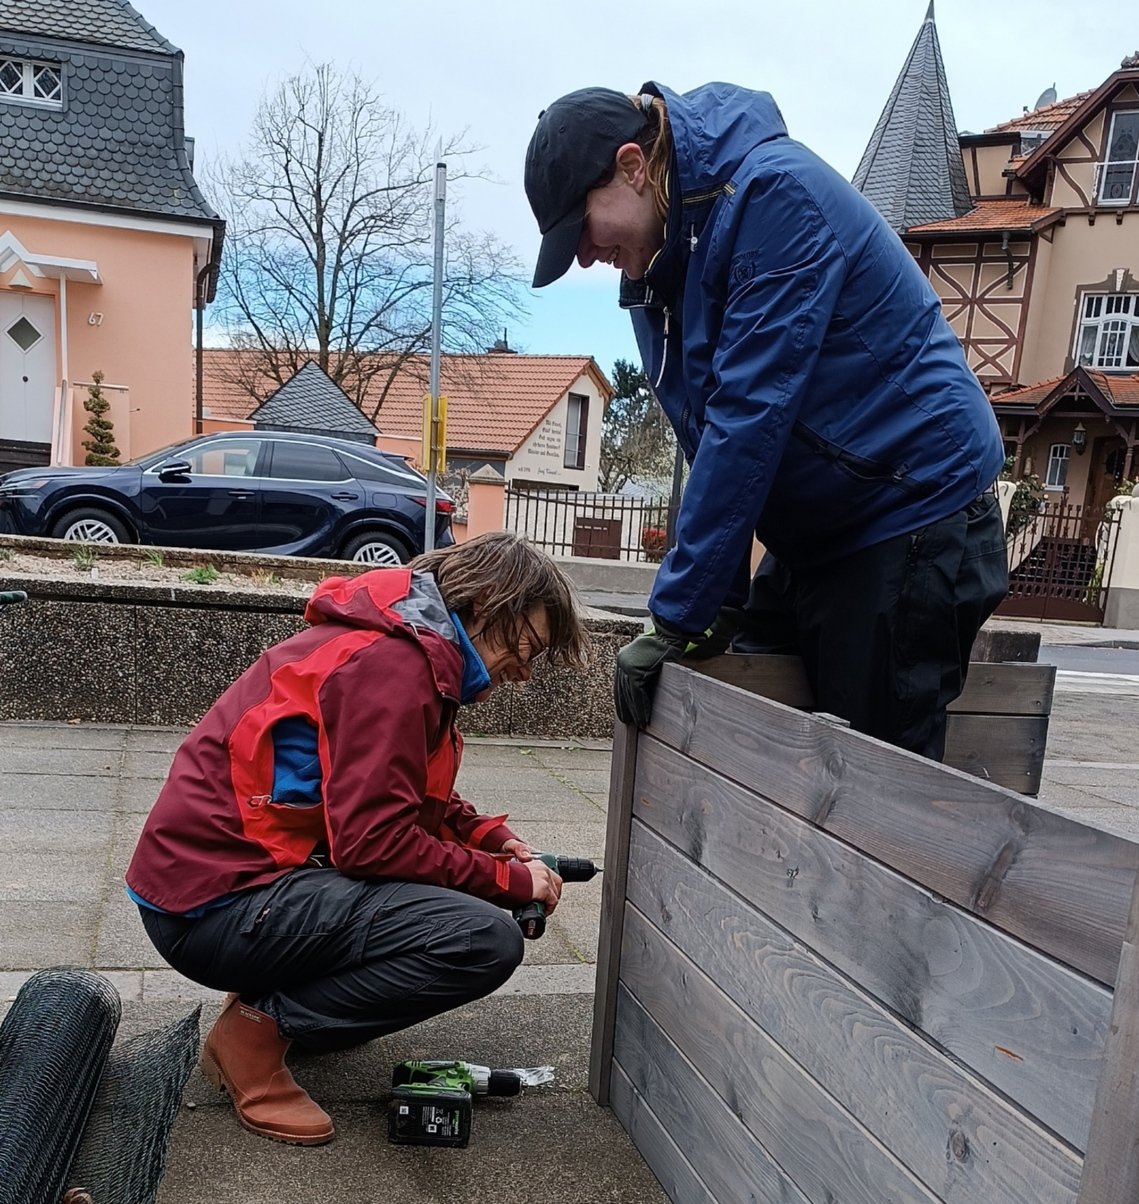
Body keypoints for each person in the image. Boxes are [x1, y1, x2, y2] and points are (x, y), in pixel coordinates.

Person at [525, 83, 1009, 760]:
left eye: (582, 226)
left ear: (634, 167)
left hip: (911, 507)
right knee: (741, 729)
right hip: (826, 528)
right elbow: (709, 439)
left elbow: (748, 417)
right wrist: (712, 602)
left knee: (867, 780)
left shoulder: (772, 197)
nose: (583, 255)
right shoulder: (660, 269)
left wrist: (674, 614)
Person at [125, 532, 588, 1145]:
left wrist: (490, 838)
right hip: (214, 906)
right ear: (482, 601)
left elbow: (406, 795)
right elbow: (373, 843)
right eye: (526, 643)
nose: (525, 670)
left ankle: (275, 1001)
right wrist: (503, 881)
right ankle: (252, 1035)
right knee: (481, 939)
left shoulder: (402, 649)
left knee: (446, 914)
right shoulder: (393, 666)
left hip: (216, 888)